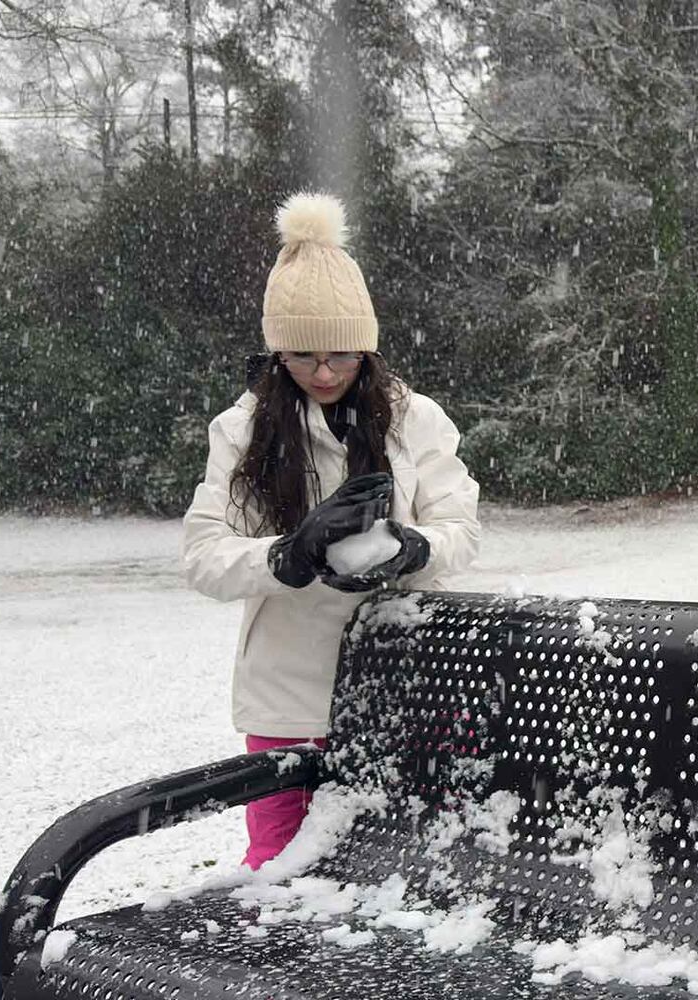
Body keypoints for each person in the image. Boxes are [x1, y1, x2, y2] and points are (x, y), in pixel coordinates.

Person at [182, 192, 481, 869]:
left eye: (342, 355)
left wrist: (413, 547)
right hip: (288, 698)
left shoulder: (416, 421)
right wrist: (288, 555)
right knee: (281, 874)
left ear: (368, 350)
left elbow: (461, 529)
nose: (323, 373)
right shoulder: (241, 433)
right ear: (276, 353)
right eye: (304, 356)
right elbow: (203, 557)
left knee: (417, 870)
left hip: (410, 687)